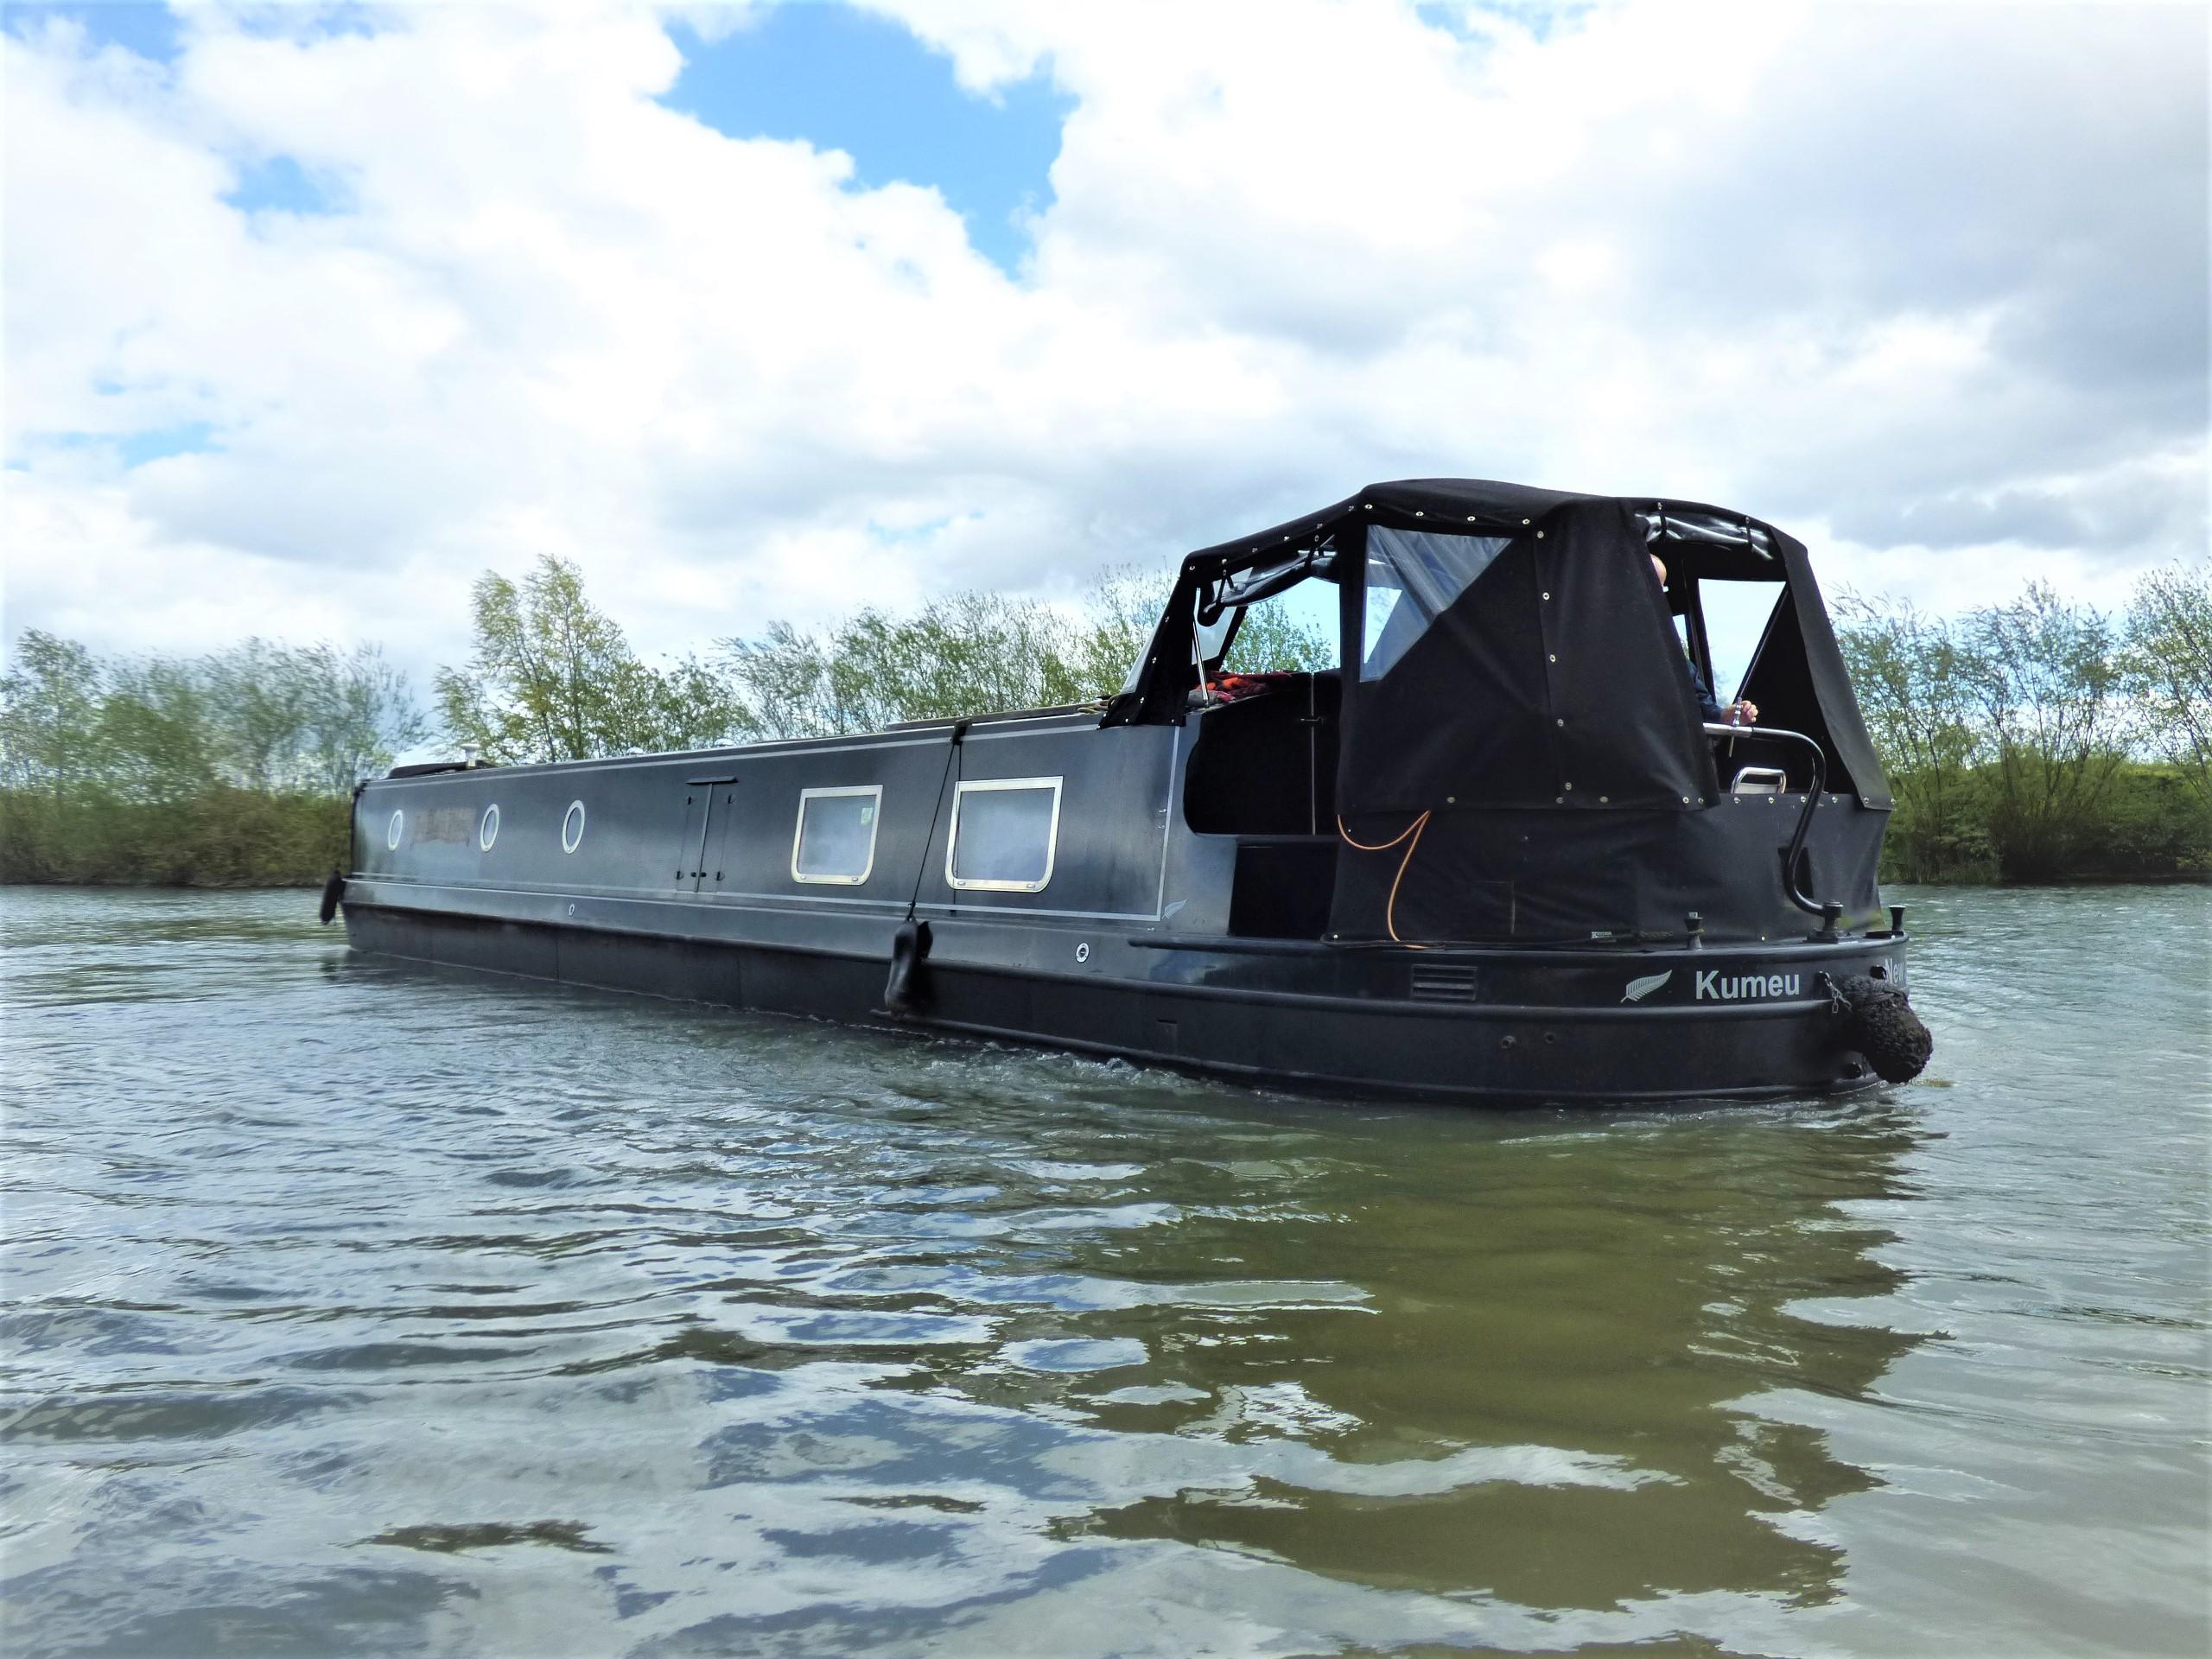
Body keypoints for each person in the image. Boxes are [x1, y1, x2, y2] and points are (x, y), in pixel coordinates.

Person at [1650, 555, 1758, 726]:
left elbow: (1701, 705)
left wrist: (1724, 715)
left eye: (1656, 589)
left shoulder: (1668, 655)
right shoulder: (1595, 636)